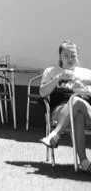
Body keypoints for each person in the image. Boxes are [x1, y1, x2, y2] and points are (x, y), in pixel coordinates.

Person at [39, 40, 91, 172]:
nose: (70, 59)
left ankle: (55, 135)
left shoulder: (86, 73)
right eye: (66, 56)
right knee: (77, 114)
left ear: (77, 56)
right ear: (60, 57)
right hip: (60, 110)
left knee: (77, 101)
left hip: (86, 109)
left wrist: (84, 87)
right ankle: (84, 161)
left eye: (73, 55)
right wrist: (57, 78)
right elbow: (42, 93)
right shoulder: (51, 71)